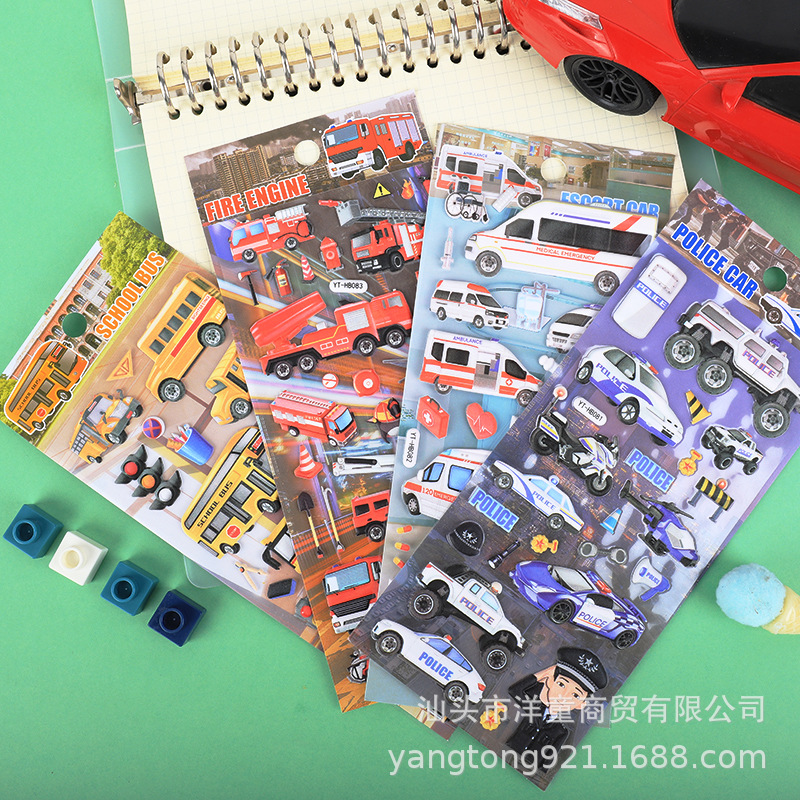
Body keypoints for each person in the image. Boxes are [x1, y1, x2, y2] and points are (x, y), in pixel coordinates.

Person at [505, 646, 608, 775]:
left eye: (575, 695)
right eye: (561, 684)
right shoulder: (533, 709)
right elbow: (515, 690)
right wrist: (542, 674)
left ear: (581, 704)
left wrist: (538, 775)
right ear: (549, 681)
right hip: (505, 755)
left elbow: (548, 762)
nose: (563, 696)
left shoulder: (561, 732)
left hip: (528, 772)